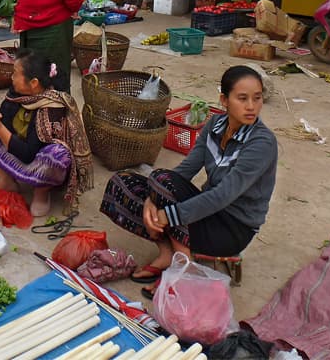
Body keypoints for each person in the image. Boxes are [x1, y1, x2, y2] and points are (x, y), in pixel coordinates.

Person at [100, 66, 277, 299]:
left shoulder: (261, 143)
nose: (251, 106)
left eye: (257, 98)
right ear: (224, 100)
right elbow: (185, 171)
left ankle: (182, 266)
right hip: (206, 213)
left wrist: (166, 215)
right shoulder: (214, 126)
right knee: (122, 183)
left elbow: (223, 195)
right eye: (242, 98)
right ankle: (167, 253)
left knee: (162, 183)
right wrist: (151, 199)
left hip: (231, 228)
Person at [0, 49, 93, 216]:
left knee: (58, 154)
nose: (12, 78)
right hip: (18, 151)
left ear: (34, 83)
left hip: (40, 163)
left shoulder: (52, 109)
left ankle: (41, 193)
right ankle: (6, 180)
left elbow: (29, 154)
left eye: (16, 74)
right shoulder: (17, 94)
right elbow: (3, 122)